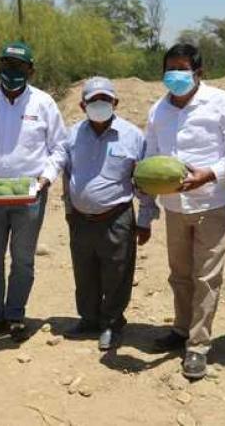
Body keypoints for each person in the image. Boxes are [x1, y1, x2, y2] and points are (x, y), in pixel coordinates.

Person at [145, 43, 225, 379]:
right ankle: (180, 330)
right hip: (174, 206)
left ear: (198, 72)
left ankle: (198, 345)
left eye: (182, 69)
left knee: (206, 277)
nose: (175, 76)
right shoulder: (157, 111)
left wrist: (211, 173)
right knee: (179, 273)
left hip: (212, 203)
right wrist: (147, 202)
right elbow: (149, 156)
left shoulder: (224, 103)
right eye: (169, 70)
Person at [0, 41, 68, 342]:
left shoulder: (44, 103)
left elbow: (59, 147)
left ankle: (16, 316)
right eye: (7, 65)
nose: (12, 72)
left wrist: (44, 179)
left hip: (30, 196)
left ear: (31, 70)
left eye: (19, 67)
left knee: (23, 260)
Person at [62, 77, 158, 350]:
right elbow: (67, 174)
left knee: (117, 273)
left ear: (116, 103)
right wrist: (69, 209)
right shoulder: (72, 135)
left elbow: (144, 180)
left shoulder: (132, 136)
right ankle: (89, 320)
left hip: (116, 218)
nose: (100, 105)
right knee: (84, 272)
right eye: (93, 100)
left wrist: (145, 220)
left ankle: (112, 324)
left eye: (105, 99)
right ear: (83, 105)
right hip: (80, 219)